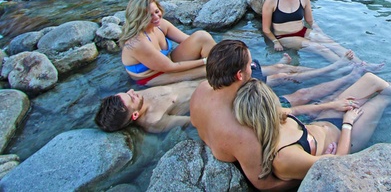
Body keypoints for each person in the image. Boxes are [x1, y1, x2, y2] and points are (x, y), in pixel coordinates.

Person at [191, 40, 366, 190]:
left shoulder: (202, 90)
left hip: (257, 112)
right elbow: (265, 185)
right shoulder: (242, 131)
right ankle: (349, 78)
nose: (253, 67)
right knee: (307, 99)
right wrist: (308, 168)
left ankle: (345, 76)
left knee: (304, 97)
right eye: (250, 65)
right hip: (289, 146)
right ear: (239, 75)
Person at [234, 56, 391, 182]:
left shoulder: (274, 117)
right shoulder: (284, 157)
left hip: (328, 120)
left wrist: (331, 105)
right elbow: (338, 163)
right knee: (381, 99)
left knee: (370, 81)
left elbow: (295, 113)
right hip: (346, 140)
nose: (278, 105)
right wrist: (348, 122)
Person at [96, 50, 363, 133]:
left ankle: (338, 70)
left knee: (282, 75)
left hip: (222, 81)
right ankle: (347, 74)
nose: (132, 92)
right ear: (133, 117)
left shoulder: (143, 93)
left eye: (127, 93)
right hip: (232, 95)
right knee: (298, 93)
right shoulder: (155, 120)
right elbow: (197, 122)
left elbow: (176, 75)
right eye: (129, 98)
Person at [262, 0, 367, 64]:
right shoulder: (272, 0)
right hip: (284, 36)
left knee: (332, 43)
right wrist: (275, 42)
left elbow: (310, 21)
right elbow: (266, 29)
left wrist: (321, 33)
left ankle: (362, 64)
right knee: (320, 48)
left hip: (302, 31)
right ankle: (348, 67)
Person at [120, 0, 216, 86]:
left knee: (202, 37)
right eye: (150, 15)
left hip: (168, 61)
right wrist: (205, 61)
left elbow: (190, 40)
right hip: (152, 75)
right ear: (139, 18)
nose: (156, 17)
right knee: (210, 69)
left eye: (157, 12)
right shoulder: (138, 42)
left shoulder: (161, 25)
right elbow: (170, 67)